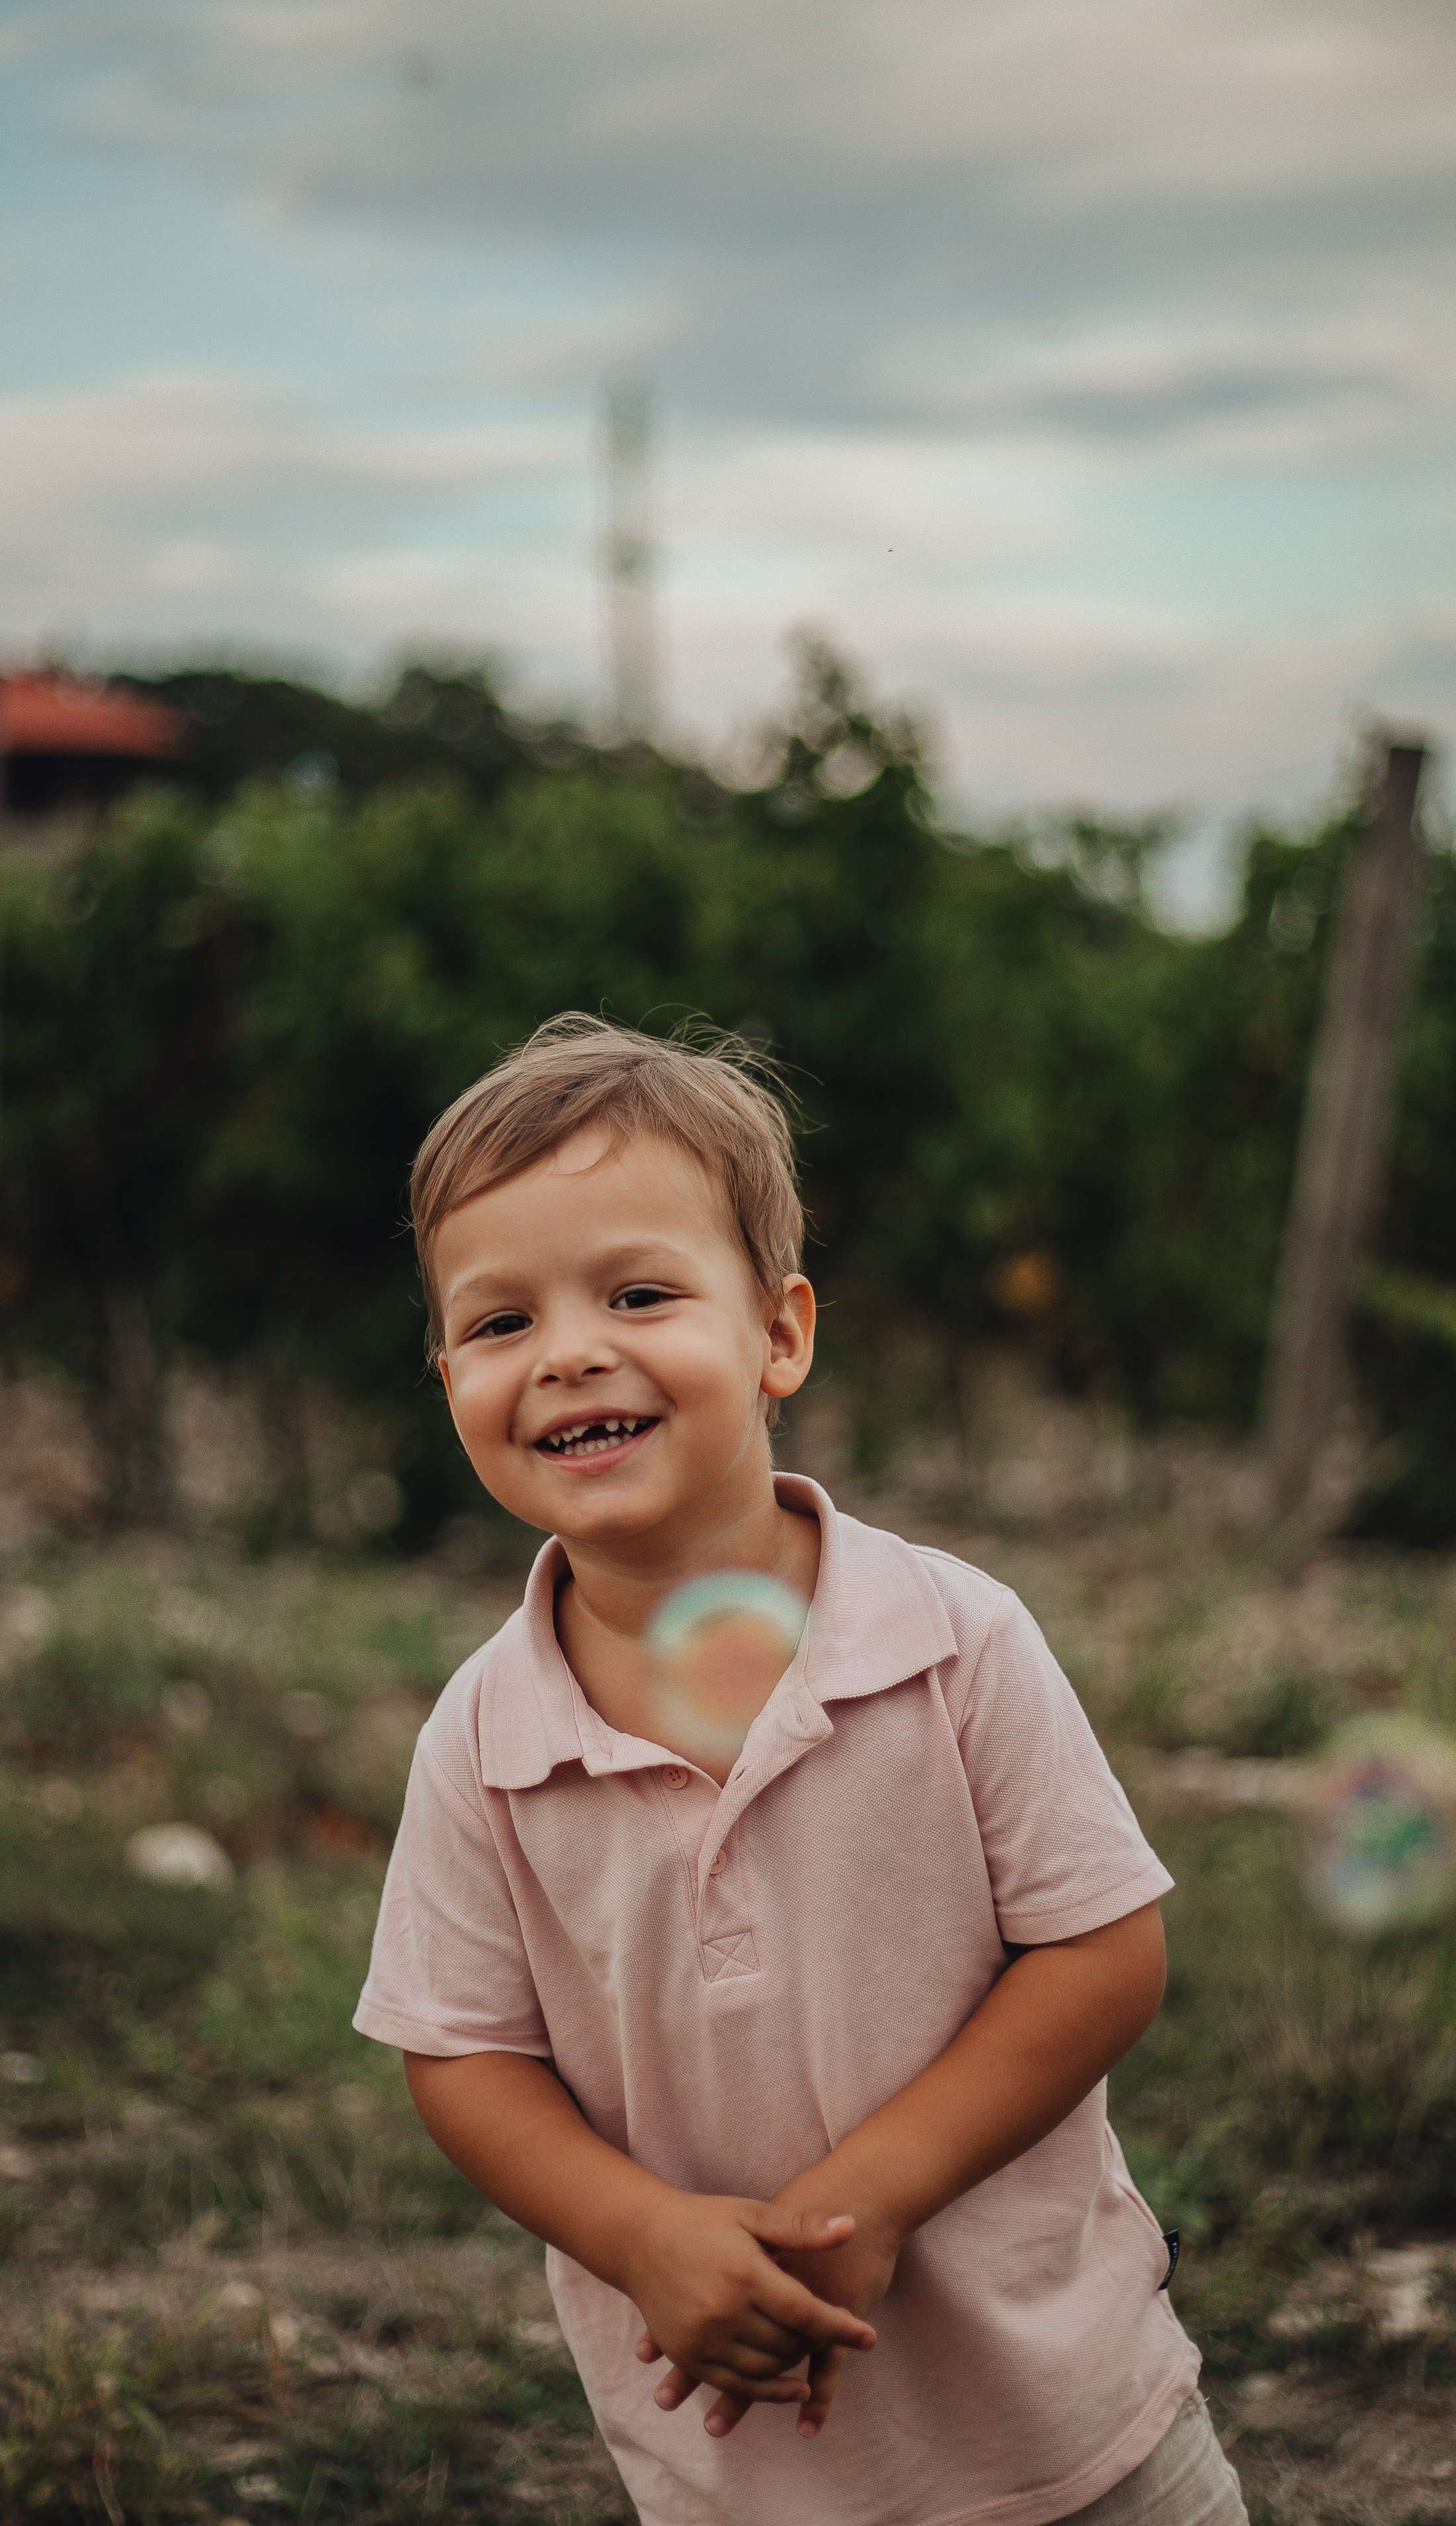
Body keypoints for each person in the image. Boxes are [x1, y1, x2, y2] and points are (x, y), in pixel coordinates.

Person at [354, 1013, 1247, 2526]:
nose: (567, 1351)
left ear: (778, 1332)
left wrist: (877, 2193)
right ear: (446, 1376)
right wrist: (640, 2235)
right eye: (499, 1324)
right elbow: (461, 2056)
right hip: (742, 2469)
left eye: (638, 1293)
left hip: (1072, 2419)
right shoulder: (485, 1739)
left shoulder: (950, 1639)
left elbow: (1098, 1951)